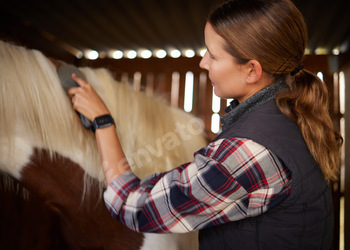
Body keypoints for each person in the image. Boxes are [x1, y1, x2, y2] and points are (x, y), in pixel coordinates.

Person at [68, 0, 342, 248]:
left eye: (213, 55)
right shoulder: (292, 113)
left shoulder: (248, 151)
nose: (202, 62)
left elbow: (133, 206)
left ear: (252, 70)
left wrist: (103, 122)